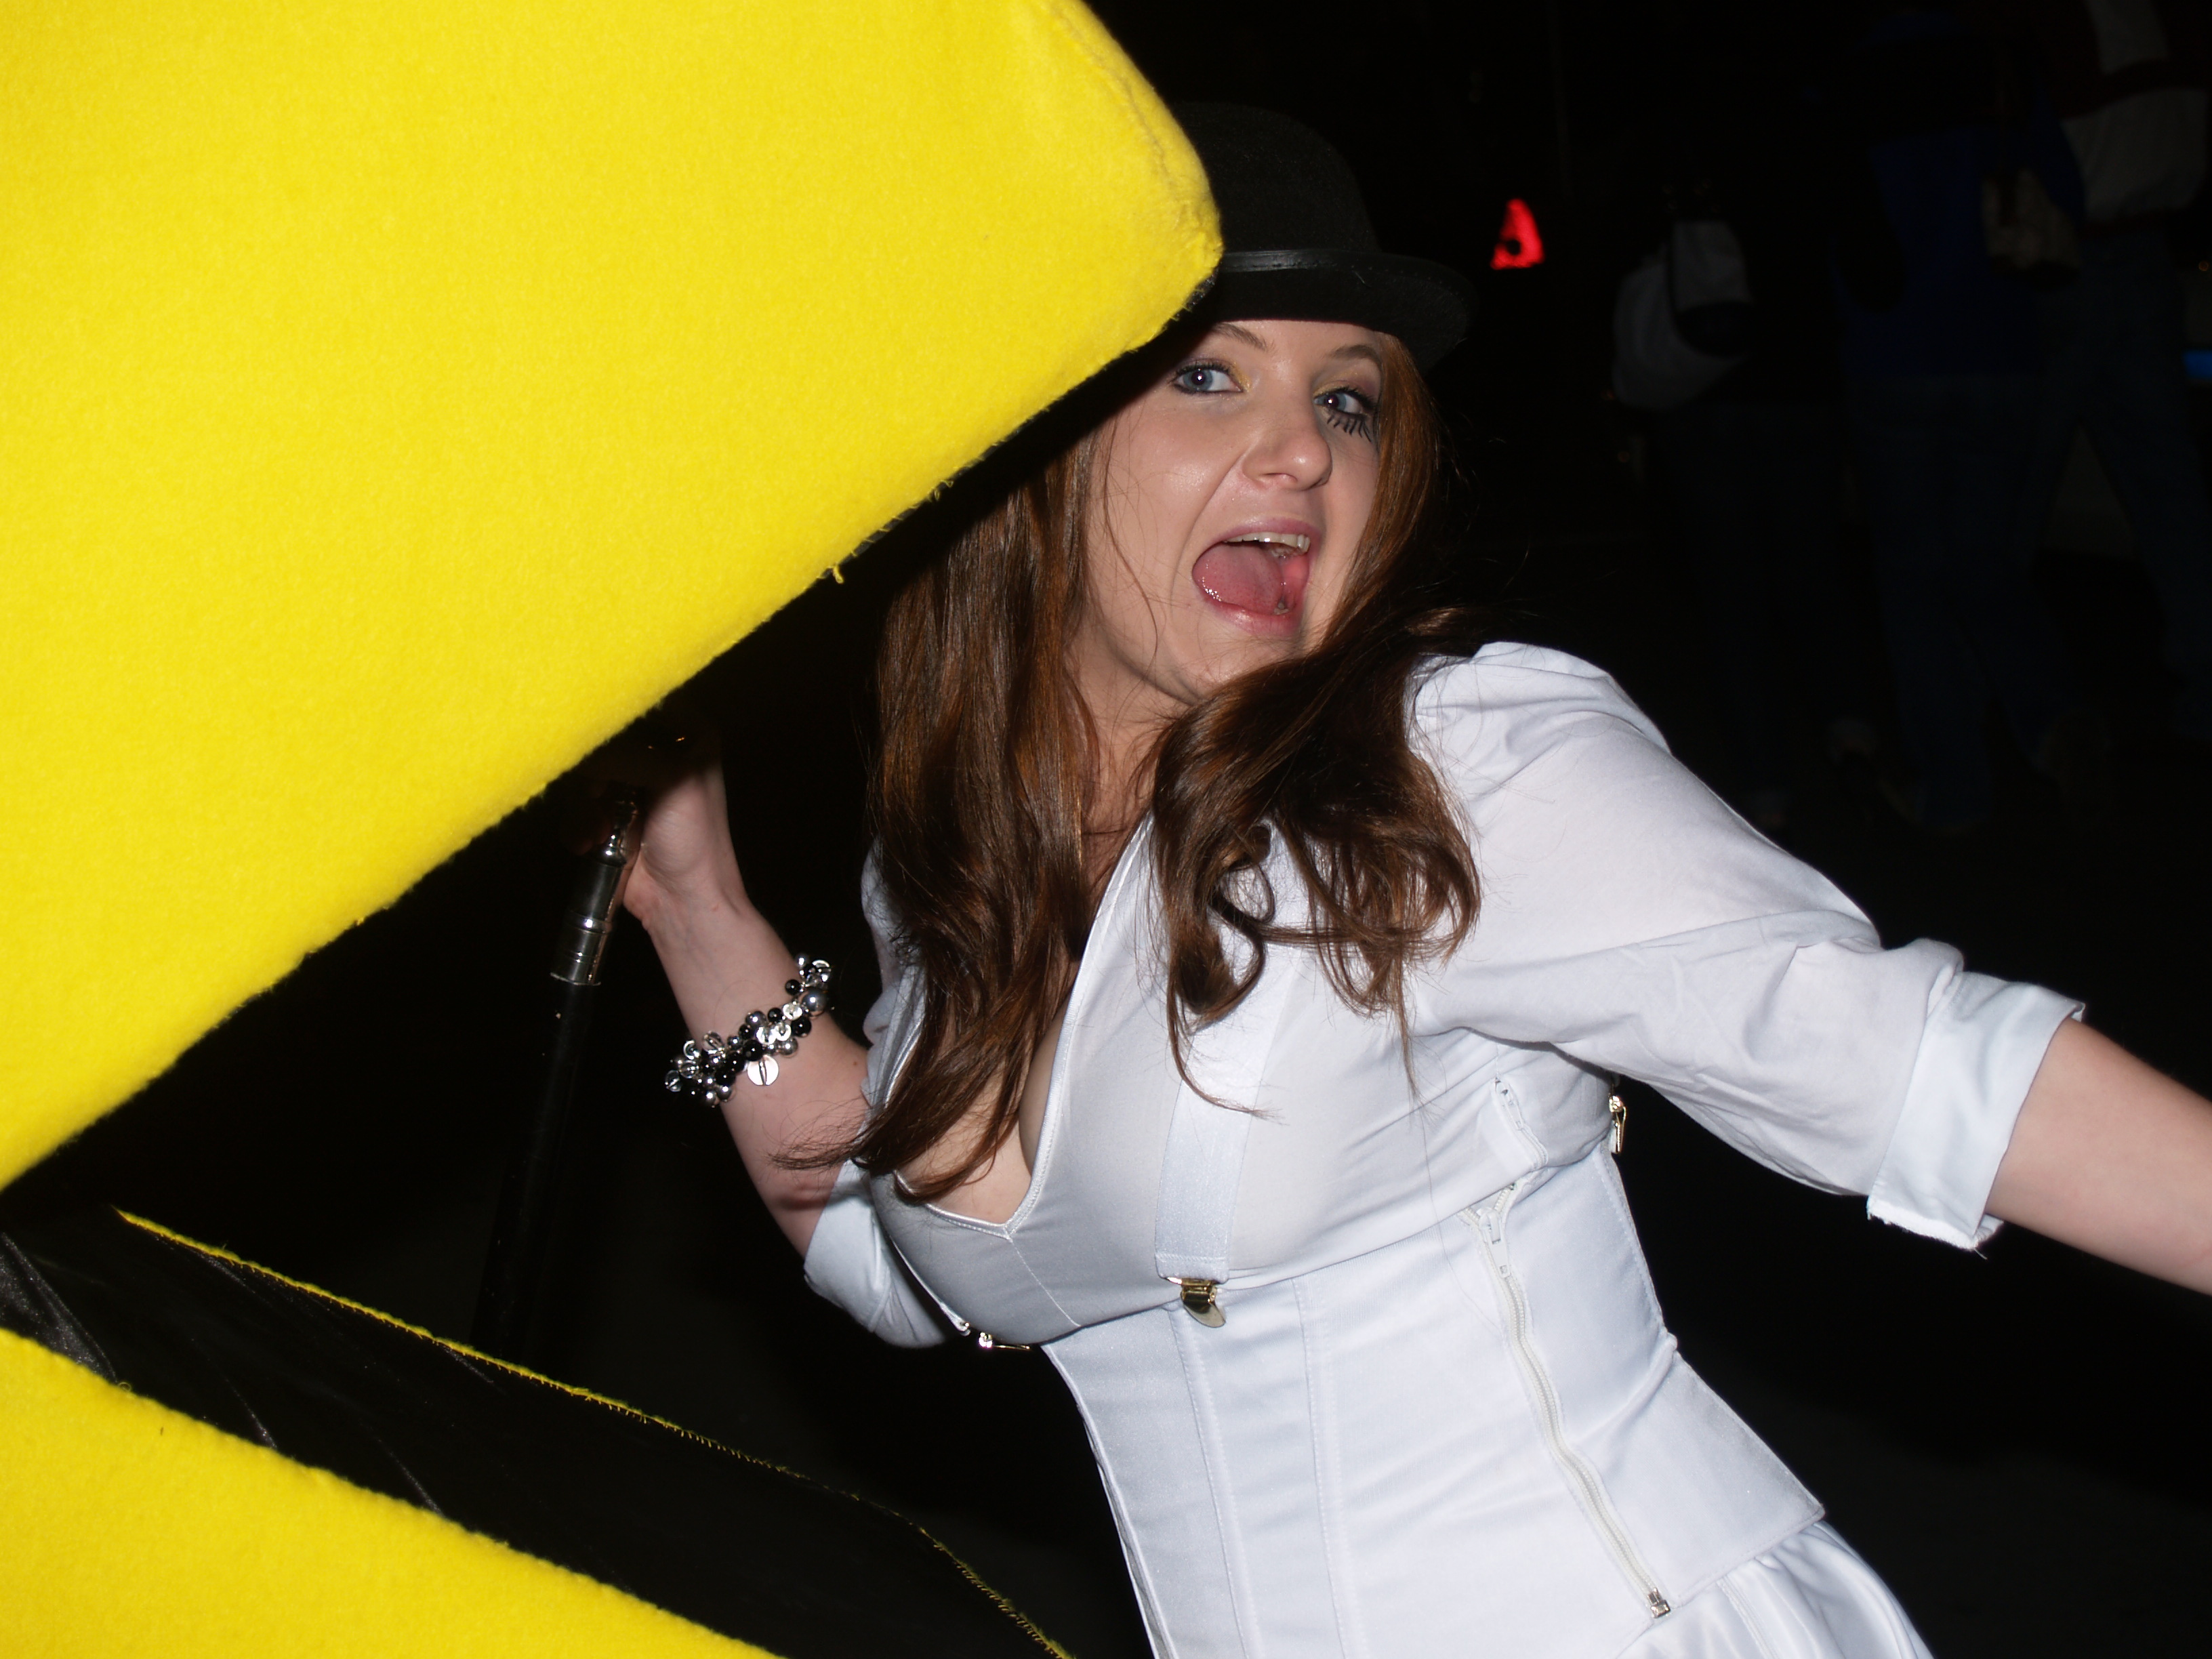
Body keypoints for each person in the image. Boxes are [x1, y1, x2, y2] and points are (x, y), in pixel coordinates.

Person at [613, 107, 2212, 1656]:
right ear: (1024, 449)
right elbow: (898, 1256)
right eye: (1207, 374)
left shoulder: (1437, 773)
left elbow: (1925, 1066)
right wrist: (697, 907)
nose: (1302, 448)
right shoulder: (958, 879)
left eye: (1349, 399)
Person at [1824, 3, 2105, 829]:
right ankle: (2054, 717)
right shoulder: (2002, 64)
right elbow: (2065, 196)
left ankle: (1952, 789)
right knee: (1985, 561)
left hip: (1892, 351)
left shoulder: (1848, 78)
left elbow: (1835, 225)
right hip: (2001, 345)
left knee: (1913, 579)